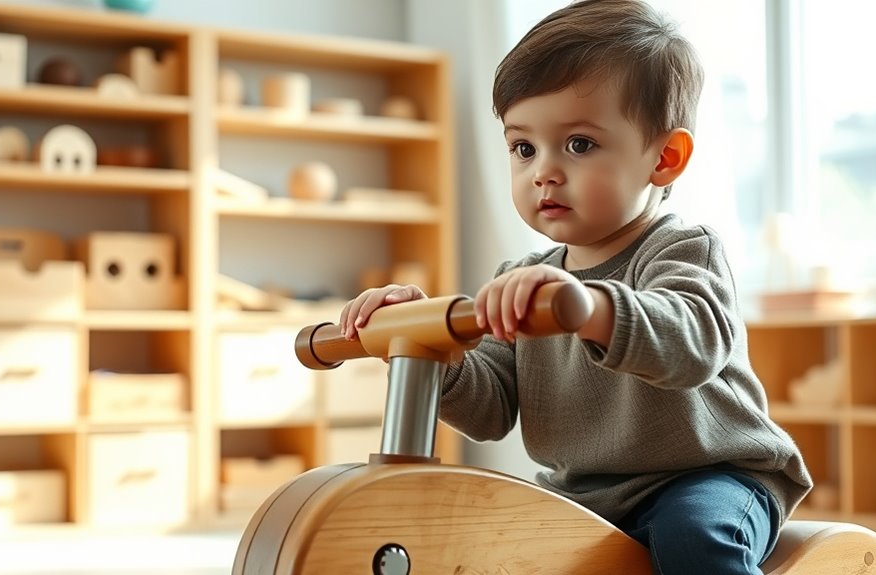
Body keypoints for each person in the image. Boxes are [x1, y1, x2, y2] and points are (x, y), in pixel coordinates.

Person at [339, 1, 812, 573]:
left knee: (695, 537)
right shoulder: (519, 279)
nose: (543, 171)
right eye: (523, 148)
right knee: (497, 547)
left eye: (580, 144)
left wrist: (588, 306)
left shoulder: (682, 250)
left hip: (709, 476)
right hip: (583, 492)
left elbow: (691, 346)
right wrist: (429, 349)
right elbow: (490, 410)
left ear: (664, 158)